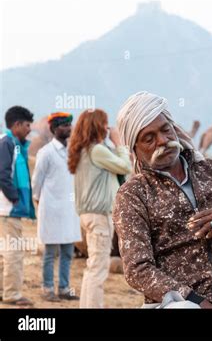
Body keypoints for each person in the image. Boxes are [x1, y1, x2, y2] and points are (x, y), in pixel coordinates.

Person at [113, 91, 212, 309]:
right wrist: (195, 301)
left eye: (165, 130)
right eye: (149, 139)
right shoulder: (133, 194)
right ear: (135, 149)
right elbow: (137, 268)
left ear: (174, 129)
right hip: (175, 303)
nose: (162, 140)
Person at [68, 109, 132, 308]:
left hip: (87, 215)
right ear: (97, 126)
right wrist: (119, 143)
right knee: (98, 268)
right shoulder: (97, 150)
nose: (107, 128)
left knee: (92, 267)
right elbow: (125, 167)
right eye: (105, 124)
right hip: (99, 216)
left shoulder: (83, 150)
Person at [32, 112, 81, 302]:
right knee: (51, 253)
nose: (68, 128)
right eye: (63, 125)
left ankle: (63, 288)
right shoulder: (46, 153)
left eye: (69, 125)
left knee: (68, 252)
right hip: (51, 210)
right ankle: (47, 288)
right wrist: (38, 202)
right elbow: (36, 183)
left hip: (69, 211)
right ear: (53, 129)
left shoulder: (72, 152)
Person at [0, 105, 35, 306]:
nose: (29, 129)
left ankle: (4, 291)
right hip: (7, 209)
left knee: (4, 251)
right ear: (17, 125)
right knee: (13, 252)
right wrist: (14, 198)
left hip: (4, 209)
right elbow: (3, 174)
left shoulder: (8, 142)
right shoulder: (8, 143)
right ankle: (12, 294)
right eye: (27, 125)